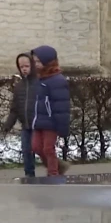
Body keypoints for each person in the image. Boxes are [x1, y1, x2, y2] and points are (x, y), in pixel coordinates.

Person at [30, 46, 70, 177]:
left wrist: (62, 127)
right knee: (36, 147)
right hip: (39, 120)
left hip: (51, 122)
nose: (35, 64)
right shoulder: (40, 79)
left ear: (47, 62)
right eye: (34, 61)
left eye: (38, 61)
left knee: (48, 149)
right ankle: (59, 166)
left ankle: (53, 173)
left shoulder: (58, 81)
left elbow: (61, 106)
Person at [2, 53, 38, 177]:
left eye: (27, 66)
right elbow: (14, 110)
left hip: (39, 124)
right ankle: (29, 175)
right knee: (26, 150)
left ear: (32, 66)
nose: (24, 69)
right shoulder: (19, 86)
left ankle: (53, 172)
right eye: (21, 66)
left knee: (44, 150)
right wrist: (7, 126)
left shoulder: (39, 83)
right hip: (26, 125)